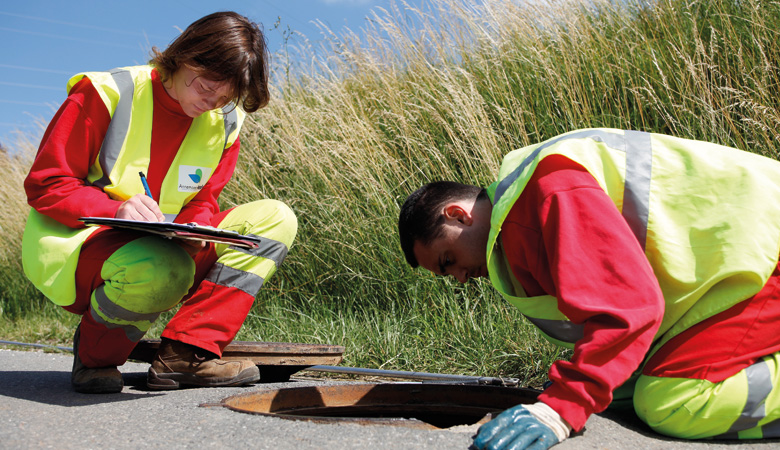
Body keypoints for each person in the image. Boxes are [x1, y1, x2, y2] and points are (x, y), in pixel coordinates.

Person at [398, 128, 780, 449]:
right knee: (627, 393)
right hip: (736, 275)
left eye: (448, 261)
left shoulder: (547, 189)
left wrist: (562, 407)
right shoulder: (519, 230)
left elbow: (628, 307)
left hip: (768, 258)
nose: (461, 278)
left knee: (671, 401)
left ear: (457, 214)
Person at [22, 11, 297, 394]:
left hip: (169, 246)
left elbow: (203, 198)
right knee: (161, 266)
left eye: (224, 98)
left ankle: (186, 355)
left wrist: (196, 228)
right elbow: (46, 184)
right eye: (206, 87)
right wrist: (115, 208)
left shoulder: (225, 122)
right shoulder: (106, 93)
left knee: (276, 218)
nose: (211, 103)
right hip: (82, 248)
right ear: (186, 55)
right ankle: (95, 357)